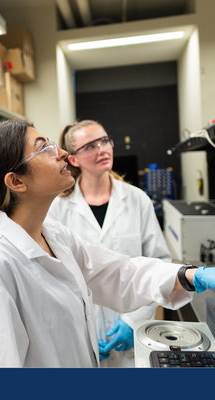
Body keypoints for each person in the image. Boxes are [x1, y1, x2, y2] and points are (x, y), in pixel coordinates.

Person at [0, 120, 215, 367]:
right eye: (45, 148)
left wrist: (194, 276)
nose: (62, 153)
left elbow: (119, 273)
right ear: (16, 181)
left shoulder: (54, 235)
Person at [47, 120, 170, 367]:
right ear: (73, 159)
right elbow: (52, 276)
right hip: (78, 330)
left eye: (104, 141)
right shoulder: (56, 208)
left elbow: (160, 264)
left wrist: (133, 320)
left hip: (132, 331)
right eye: (90, 146)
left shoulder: (137, 200)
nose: (102, 149)